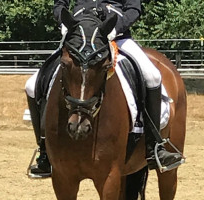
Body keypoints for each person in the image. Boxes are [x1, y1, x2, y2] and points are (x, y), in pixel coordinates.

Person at [25, 0, 183, 177]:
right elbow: (60, 3)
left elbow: (134, 8)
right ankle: (45, 151)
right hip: (79, 36)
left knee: (152, 76)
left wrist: (116, 28)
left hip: (116, 36)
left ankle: (155, 147)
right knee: (31, 85)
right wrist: (64, 22)